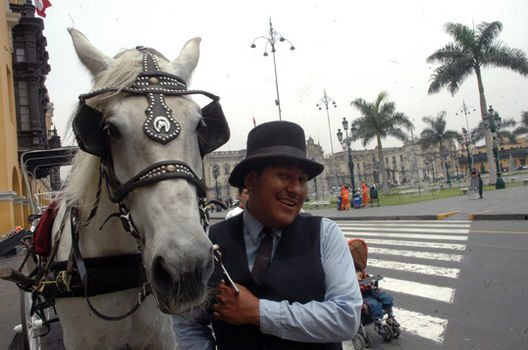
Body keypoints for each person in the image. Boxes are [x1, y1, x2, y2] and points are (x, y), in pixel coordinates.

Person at [173, 121, 362, 350]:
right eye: (284, 176)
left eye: (302, 179)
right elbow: (187, 323)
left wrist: (257, 311)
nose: (296, 189)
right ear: (251, 180)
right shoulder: (212, 240)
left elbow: (346, 318)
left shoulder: (324, 234)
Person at [348, 239, 399, 337]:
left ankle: (390, 317)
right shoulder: (346, 272)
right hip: (360, 295)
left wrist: (367, 280)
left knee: (387, 297)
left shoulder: (358, 269)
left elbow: (366, 278)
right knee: (373, 304)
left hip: (370, 291)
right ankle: (377, 324)